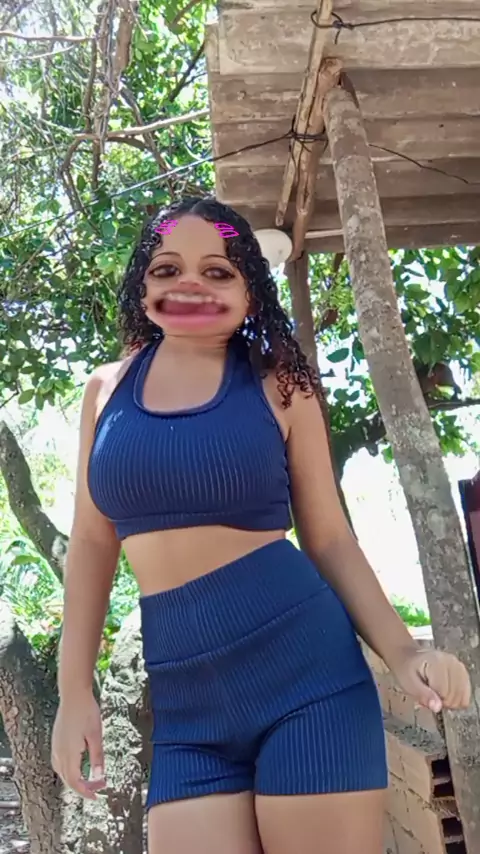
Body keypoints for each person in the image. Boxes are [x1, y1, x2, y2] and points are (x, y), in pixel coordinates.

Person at [51, 196, 471, 854]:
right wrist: (74, 688)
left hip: (308, 682)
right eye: (168, 267)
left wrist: (406, 653)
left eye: (217, 270)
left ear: (250, 290)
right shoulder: (104, 393)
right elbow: (91, 541)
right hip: (187, 710)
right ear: (142, 284)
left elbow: (328, 538)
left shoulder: (282, 383)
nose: (191, 283)